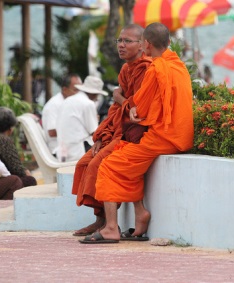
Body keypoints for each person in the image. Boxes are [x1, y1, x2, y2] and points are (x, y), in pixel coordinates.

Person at [80, 23, 194, 243]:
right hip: (181, 134)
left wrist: (125, 104)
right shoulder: (178, 65)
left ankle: (111, 227)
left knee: (109, 165)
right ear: (169, 43)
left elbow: (139, 110)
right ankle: (140, 215)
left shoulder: (155, 69)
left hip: (164, 137)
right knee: (128, 158)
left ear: (146, 45)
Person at [71, 24, 152, 236]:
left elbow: (139, 109)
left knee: (99, 164)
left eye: (127, 41)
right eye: (119, 41)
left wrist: (120, 97)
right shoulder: (126, 70)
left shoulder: (146, 69)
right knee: (85, 162)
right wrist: (102, 136)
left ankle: (108, 223)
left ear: (143, 46)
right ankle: (100, 219)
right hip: (118, 130)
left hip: (134, 133)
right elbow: (117, 110)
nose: (121, 45)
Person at [56, 76, 107, 162]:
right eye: (97, 94)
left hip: (63, 151)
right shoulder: (88, 103)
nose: (97, 98)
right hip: (78, 151)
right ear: (93, 93)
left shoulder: (68, 100)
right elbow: (95, 133)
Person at [0, 106, 37, 188]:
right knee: (30, 181)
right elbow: (16, 167)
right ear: (10, 128)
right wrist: (28, 174)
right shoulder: (3, 140)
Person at [41, 73, 82, 156]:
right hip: (60, 151)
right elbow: (52, 132)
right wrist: (81, 127)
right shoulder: (54, 105)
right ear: (65, 90)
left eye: (81, 90)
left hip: (71, 147)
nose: (79, 93)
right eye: (76, 90)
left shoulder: (70, 102)